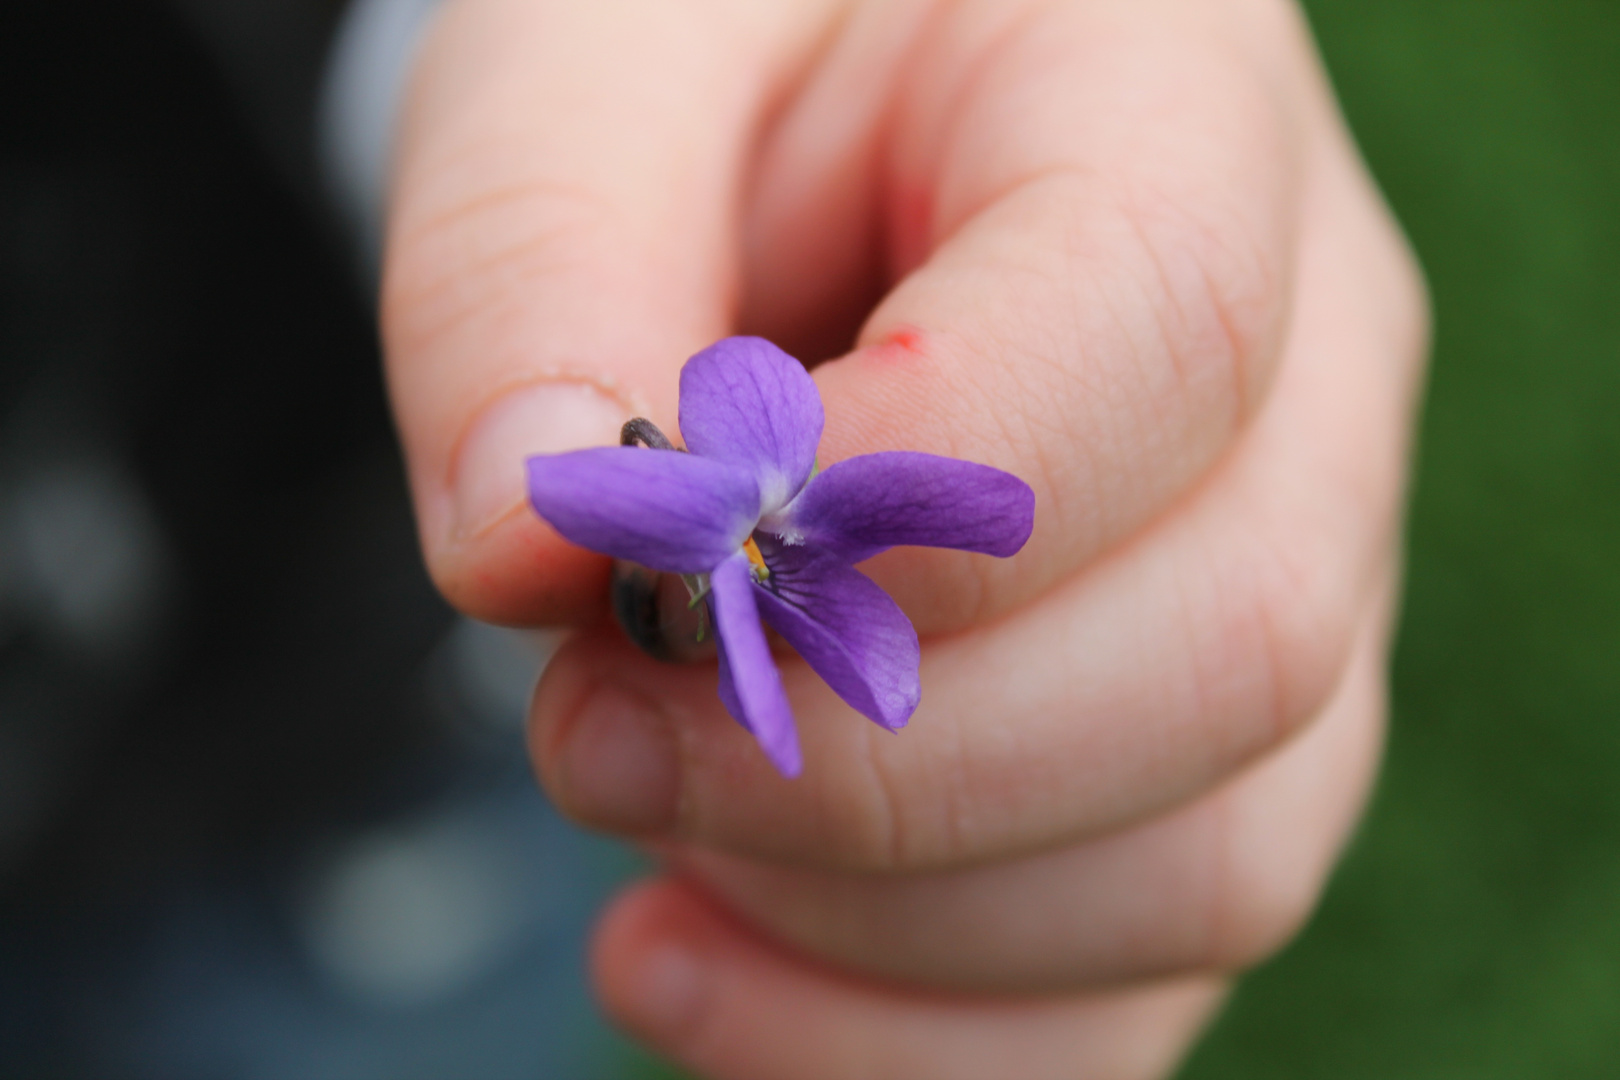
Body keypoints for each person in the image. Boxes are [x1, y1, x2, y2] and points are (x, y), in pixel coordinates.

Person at [378, 0, 1428, 1075]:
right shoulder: (736, 535)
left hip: (420, 798)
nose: (760, 557)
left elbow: (958, 524)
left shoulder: (752, 537)